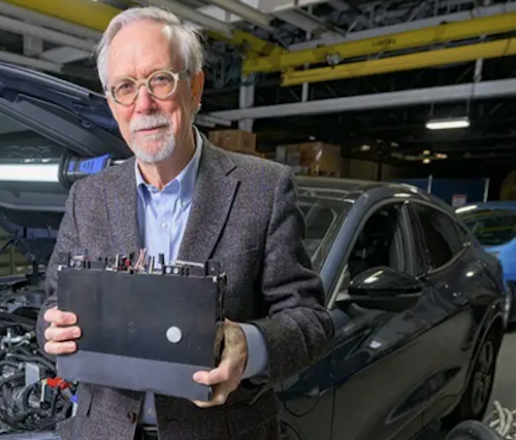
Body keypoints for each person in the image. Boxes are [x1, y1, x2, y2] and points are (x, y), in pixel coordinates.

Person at [36, 6, 334, 440]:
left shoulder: (262, 188)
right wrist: (52, 329)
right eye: (125, 87)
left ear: (194, 88)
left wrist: (247, 346)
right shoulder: (89, 197)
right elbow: (48, 307)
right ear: (111, 102)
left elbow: (311, 320)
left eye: (160, 79)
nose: (143, 104)